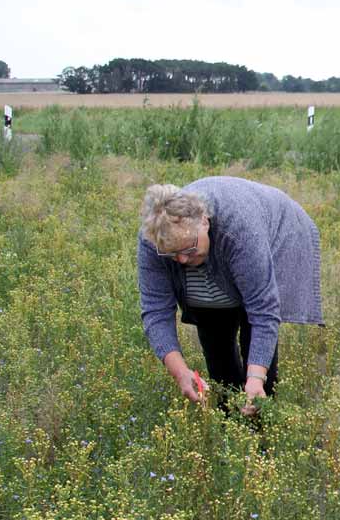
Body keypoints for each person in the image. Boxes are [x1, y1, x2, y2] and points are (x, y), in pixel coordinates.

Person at [137, 176, 323, 413]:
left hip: (278, 231)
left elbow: (263, 311)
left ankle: (262, 419)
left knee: (251, 329)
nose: (182, 260)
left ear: (204, 221)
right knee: (213, 330)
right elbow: (156, 311)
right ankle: (230, 417)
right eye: (173, 255)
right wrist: (180, 372)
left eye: (188, 249)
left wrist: (256, 379)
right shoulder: (155, 236)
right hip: (232, 240)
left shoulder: (240, 230)